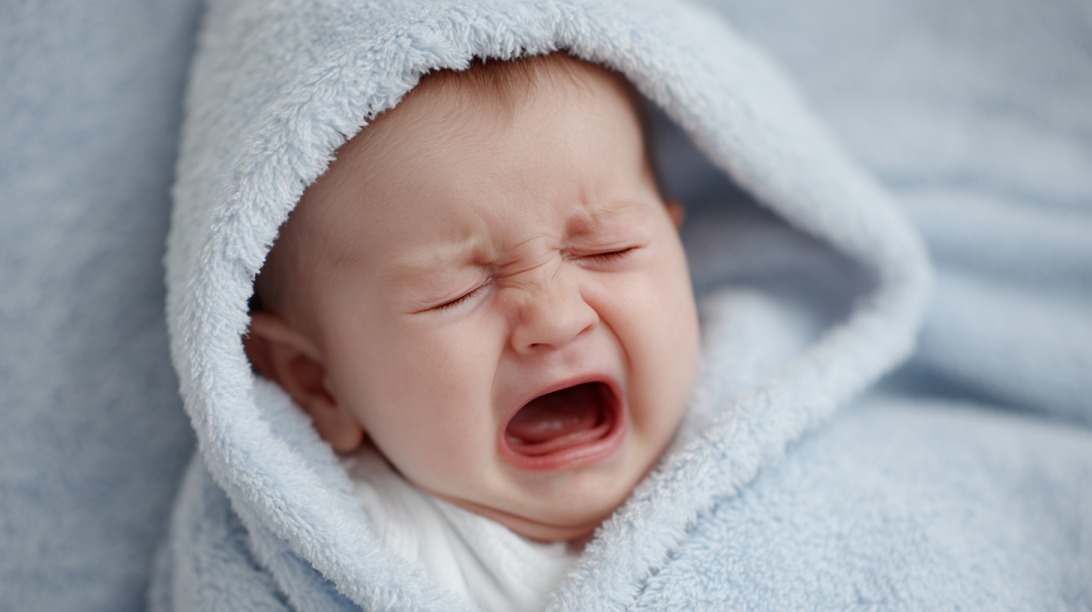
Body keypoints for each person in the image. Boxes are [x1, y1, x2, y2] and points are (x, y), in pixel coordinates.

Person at [240, 52, 701, 610]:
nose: (556, 320)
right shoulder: (359, 549)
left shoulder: (752, 415)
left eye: (608, 249)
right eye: (455, 293)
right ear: (316, 380)